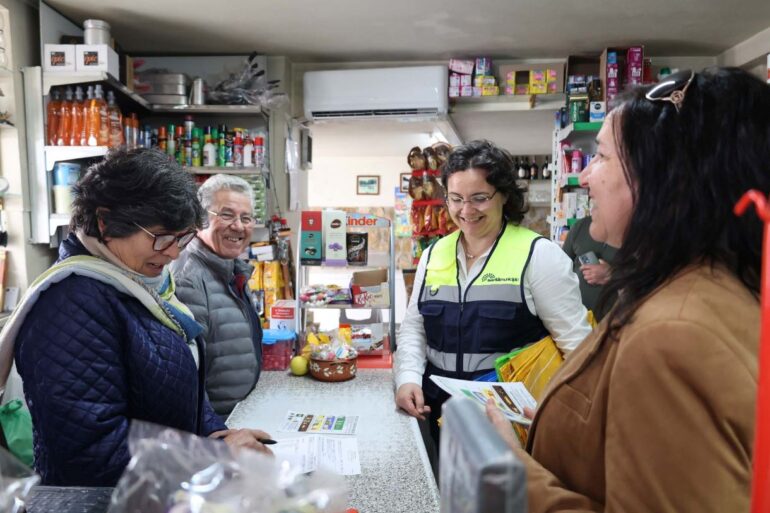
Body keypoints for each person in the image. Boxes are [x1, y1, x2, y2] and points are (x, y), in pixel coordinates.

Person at [486, 67, 767, 512]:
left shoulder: (673, 334)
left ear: (662, 178)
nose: (584, 178)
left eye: (601, 157)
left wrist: (508, 469)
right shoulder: (697, 286)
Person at [0, 148, 271, 486]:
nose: (173, 252)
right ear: (105, 221)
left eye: (181, 237)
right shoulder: (70, 304)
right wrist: (209, 455)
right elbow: (89, 454)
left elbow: (183, 393)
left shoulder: (142, 285)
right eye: (161, 237)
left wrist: (216, 435)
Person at [395, 140, 592, 442]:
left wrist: (558, 414)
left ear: (504, 196)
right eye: (455, 198)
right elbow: (414, 328)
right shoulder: (434, 255)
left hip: (507, 425)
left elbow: (578, 350)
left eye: (479, 198)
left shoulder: (538, 255)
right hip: (436, 415)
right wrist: (407, 378)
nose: (466, 210)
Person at [172, 174, 263, 417]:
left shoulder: (232, 269)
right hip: (215, 433)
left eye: (246, 218)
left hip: (237, 421)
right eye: (226, 215)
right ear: (201, 219)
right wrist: (213, 435)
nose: (239, 226)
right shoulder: (188, 280)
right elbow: (184, 379)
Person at [562, 216, 617, 320]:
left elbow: (649, 278)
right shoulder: (581, 226)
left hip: (613, 320)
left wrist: (612, 274)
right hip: (576, 318)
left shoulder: (638, 231)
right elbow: (561, 268)